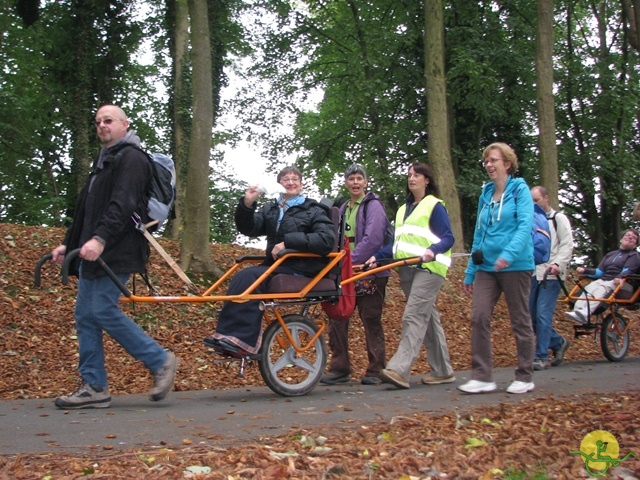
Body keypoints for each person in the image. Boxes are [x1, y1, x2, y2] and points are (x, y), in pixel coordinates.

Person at [51, 105, 178, 409]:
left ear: (124, 124)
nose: (102, 126)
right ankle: (94, 385)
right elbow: (86, 210)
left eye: (108, 121)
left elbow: (123, 204)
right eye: (98, 122)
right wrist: (68, 245)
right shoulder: (103, 160)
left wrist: (100, 239)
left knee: (102, 310)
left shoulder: (132, 158)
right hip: (92, 252)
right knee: (85, 315)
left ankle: (160, 360)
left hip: (118, 250)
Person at [204, 166, 336, 355]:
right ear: (279, 184)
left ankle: (241, 341)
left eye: (294, 179)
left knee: (250, 277)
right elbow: (249, 229)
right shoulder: (272, 209)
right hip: (277, 266)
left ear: (301, 184)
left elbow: (326, 240)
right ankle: (230, 338)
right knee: (244, 276)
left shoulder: (313, 209)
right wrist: (247, 204)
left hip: (302, 266)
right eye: (285, 179)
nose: (290, 182)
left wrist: (288, 242)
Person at [367, 163, 455, 389]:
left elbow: (448, 238)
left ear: (427, 179)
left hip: (429, 269)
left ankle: (399, 369)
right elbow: (398, 244)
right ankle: (443, 371)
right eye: (409, 175)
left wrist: (432, 250)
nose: (412, 178)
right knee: (428, 319)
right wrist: (378, 256)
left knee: (413, 315)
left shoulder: (434, 206)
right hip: (407, 269)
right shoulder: (403, 209)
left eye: (417, 175)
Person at [459, 142, 536, 395]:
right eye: (487, 161)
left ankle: (524, 375)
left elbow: (525, 227)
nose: (489, 165)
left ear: (507, 164)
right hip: (487, 267)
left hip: (516, 265)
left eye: (494, 160)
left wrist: (508, 255)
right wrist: (471, 271)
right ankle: (483, 377)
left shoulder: (519, 190)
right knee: (479, 316)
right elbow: (479, 234)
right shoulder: (486, 194)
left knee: (520, 320)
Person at [320, 164, 391, 386]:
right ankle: (340, 367)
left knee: (370, 317)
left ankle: (376, 369)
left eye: (359, 178)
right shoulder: (342, 209)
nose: (355, 183)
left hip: (370, 270)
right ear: (346, 182)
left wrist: (351, 262)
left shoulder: (373, 206)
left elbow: (374, 238)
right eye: (351, 179)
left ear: (366, 182)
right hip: (346, 270)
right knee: (338, 316)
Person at [529, 186, 574, 370]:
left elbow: (567, 244)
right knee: (531, 317)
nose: (533, 205)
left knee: (542, 314)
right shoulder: (531, 221)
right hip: (533, 273)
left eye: (536, 200)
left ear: (546, 198)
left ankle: (540, 356)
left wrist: (558, 264)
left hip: (552, 275)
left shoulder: (558, 219)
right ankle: (558, 342)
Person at [565, 229, 640, 324]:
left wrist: (620, 277)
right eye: (628, 235)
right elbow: (599, 272)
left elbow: (628, 270)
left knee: (602, 288)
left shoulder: (634, 256)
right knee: (589, 288)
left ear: (635, 245)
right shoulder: (611, 254)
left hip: (622, 283)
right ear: (621, 239)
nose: (630, 238)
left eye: (634, 238)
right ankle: (578, 311)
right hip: (605, 279)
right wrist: (585, 270)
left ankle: (586, 312)